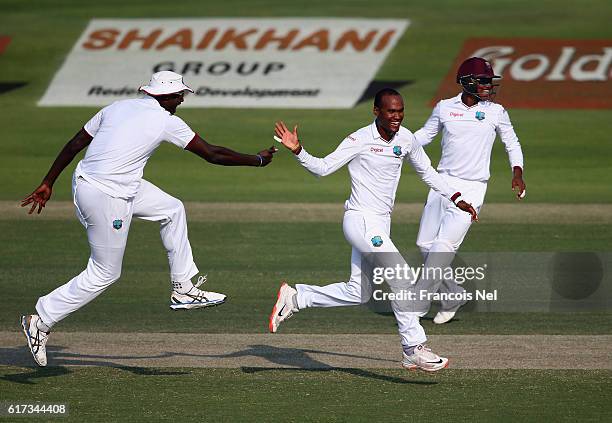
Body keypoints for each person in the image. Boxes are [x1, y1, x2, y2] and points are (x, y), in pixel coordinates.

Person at [20, 71, 277, 367]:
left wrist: (48, 181)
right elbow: (213, 154)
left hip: (104, 183)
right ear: (163, 96)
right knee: (105, 273)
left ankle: (183, 289)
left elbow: (76, 142)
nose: (181, 99)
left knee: (172, 209)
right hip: (107, 196)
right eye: (178, 95)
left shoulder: (116, 107)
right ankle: (41, 320)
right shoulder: (166, 121)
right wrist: (257, 160)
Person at [268, 88, 478, 372]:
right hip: (360, 220)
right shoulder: (359, 139)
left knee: (359, 291)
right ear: (376, 111)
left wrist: (456, 197)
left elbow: (427, 172)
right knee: (401, 277)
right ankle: (413, 348)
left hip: (380, 224)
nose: (397, 117)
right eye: (391, 111)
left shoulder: (406, 139)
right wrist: (299, 151)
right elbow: (323, 168)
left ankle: (297, 297)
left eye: (401, 111)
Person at [414, 57, 526, 324]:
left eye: (490, 81)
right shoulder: (444, 108)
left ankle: (416, 302)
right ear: (466, 82)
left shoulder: (496, 111)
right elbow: (423, 137)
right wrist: (394, 143)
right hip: (441, 183)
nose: (488, 85)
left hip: (473, 187)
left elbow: (512, 142)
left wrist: (518, 171)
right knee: (424, 245)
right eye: (483, 81)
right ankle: (453, 293)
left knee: (443, 247)